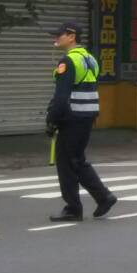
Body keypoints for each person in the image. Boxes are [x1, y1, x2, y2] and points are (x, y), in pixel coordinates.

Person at [46, 22, 118, 223]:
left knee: (66, 163)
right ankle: (103, 197)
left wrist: (52, 120)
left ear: (72, 36)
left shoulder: (68, 61)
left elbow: (61, 97)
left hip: (71, 117)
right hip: (87, 116)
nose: (56, 38)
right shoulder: (90, 59)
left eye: (59, 35)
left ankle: (73, 208)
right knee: (76, 160)